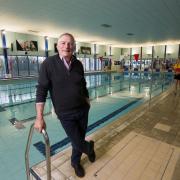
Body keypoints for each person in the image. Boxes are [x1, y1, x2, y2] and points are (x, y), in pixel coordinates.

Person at [34, 33, 96, 177]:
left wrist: (87, 99)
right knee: (77, 140)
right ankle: (90, 148)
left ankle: (75, 162)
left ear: (74, 47)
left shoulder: (78, 64)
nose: (66, 46)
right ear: (57, 46)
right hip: (65, 114)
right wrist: (39, 117)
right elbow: (41, 90)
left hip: (82, 110)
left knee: (78, 139)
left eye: (70, 43)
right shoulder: (48, 64)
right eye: (63, 43)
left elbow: (83, 84)